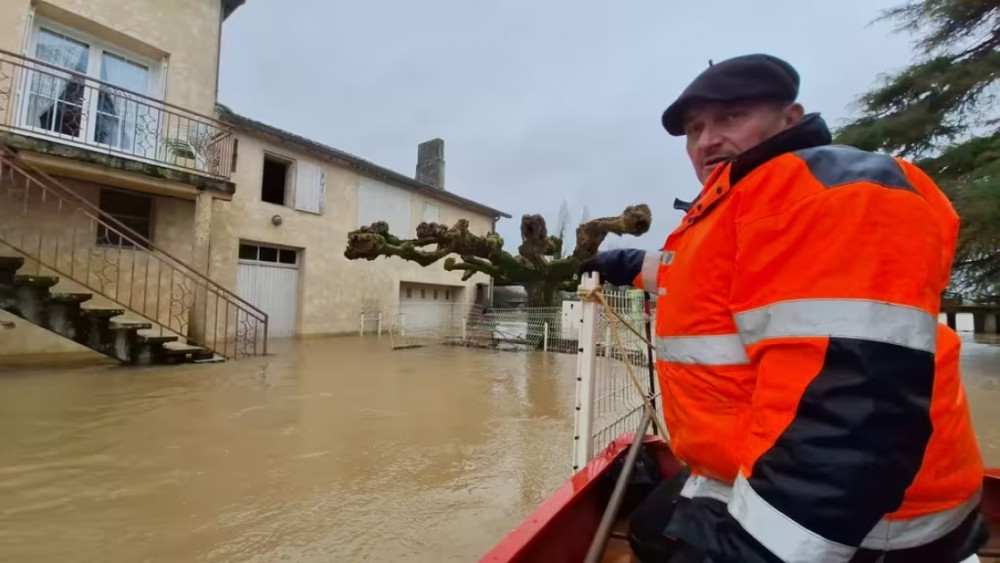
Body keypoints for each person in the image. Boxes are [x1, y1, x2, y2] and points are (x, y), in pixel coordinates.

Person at [578, 54, 988, 563]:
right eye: (694, 128)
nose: (706, 141)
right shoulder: (743, 203)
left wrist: (755, 551)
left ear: (790, 120)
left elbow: (851, 414)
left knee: (662, 536)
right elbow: (698, 275)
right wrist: (624, 262)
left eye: (731, 117)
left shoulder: (827, 195)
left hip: (871, 521)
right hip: (749, 466)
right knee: (651, 527)